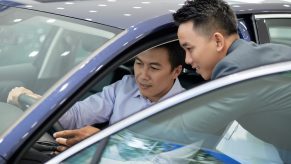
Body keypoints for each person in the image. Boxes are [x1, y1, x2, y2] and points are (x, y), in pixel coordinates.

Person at [7, 42, 186, 151]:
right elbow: (76, 116)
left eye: (154, 68)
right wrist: (34, 101)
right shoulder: (125, 86)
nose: (142, 75)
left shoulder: (192, 106)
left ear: (176, 71)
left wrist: (103, 141)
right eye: (139, 64)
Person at [172, 0, 291, 81]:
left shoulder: (231, 69)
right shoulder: (276, 51)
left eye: (189, 48)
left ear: (218, 41)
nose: (187, 60)